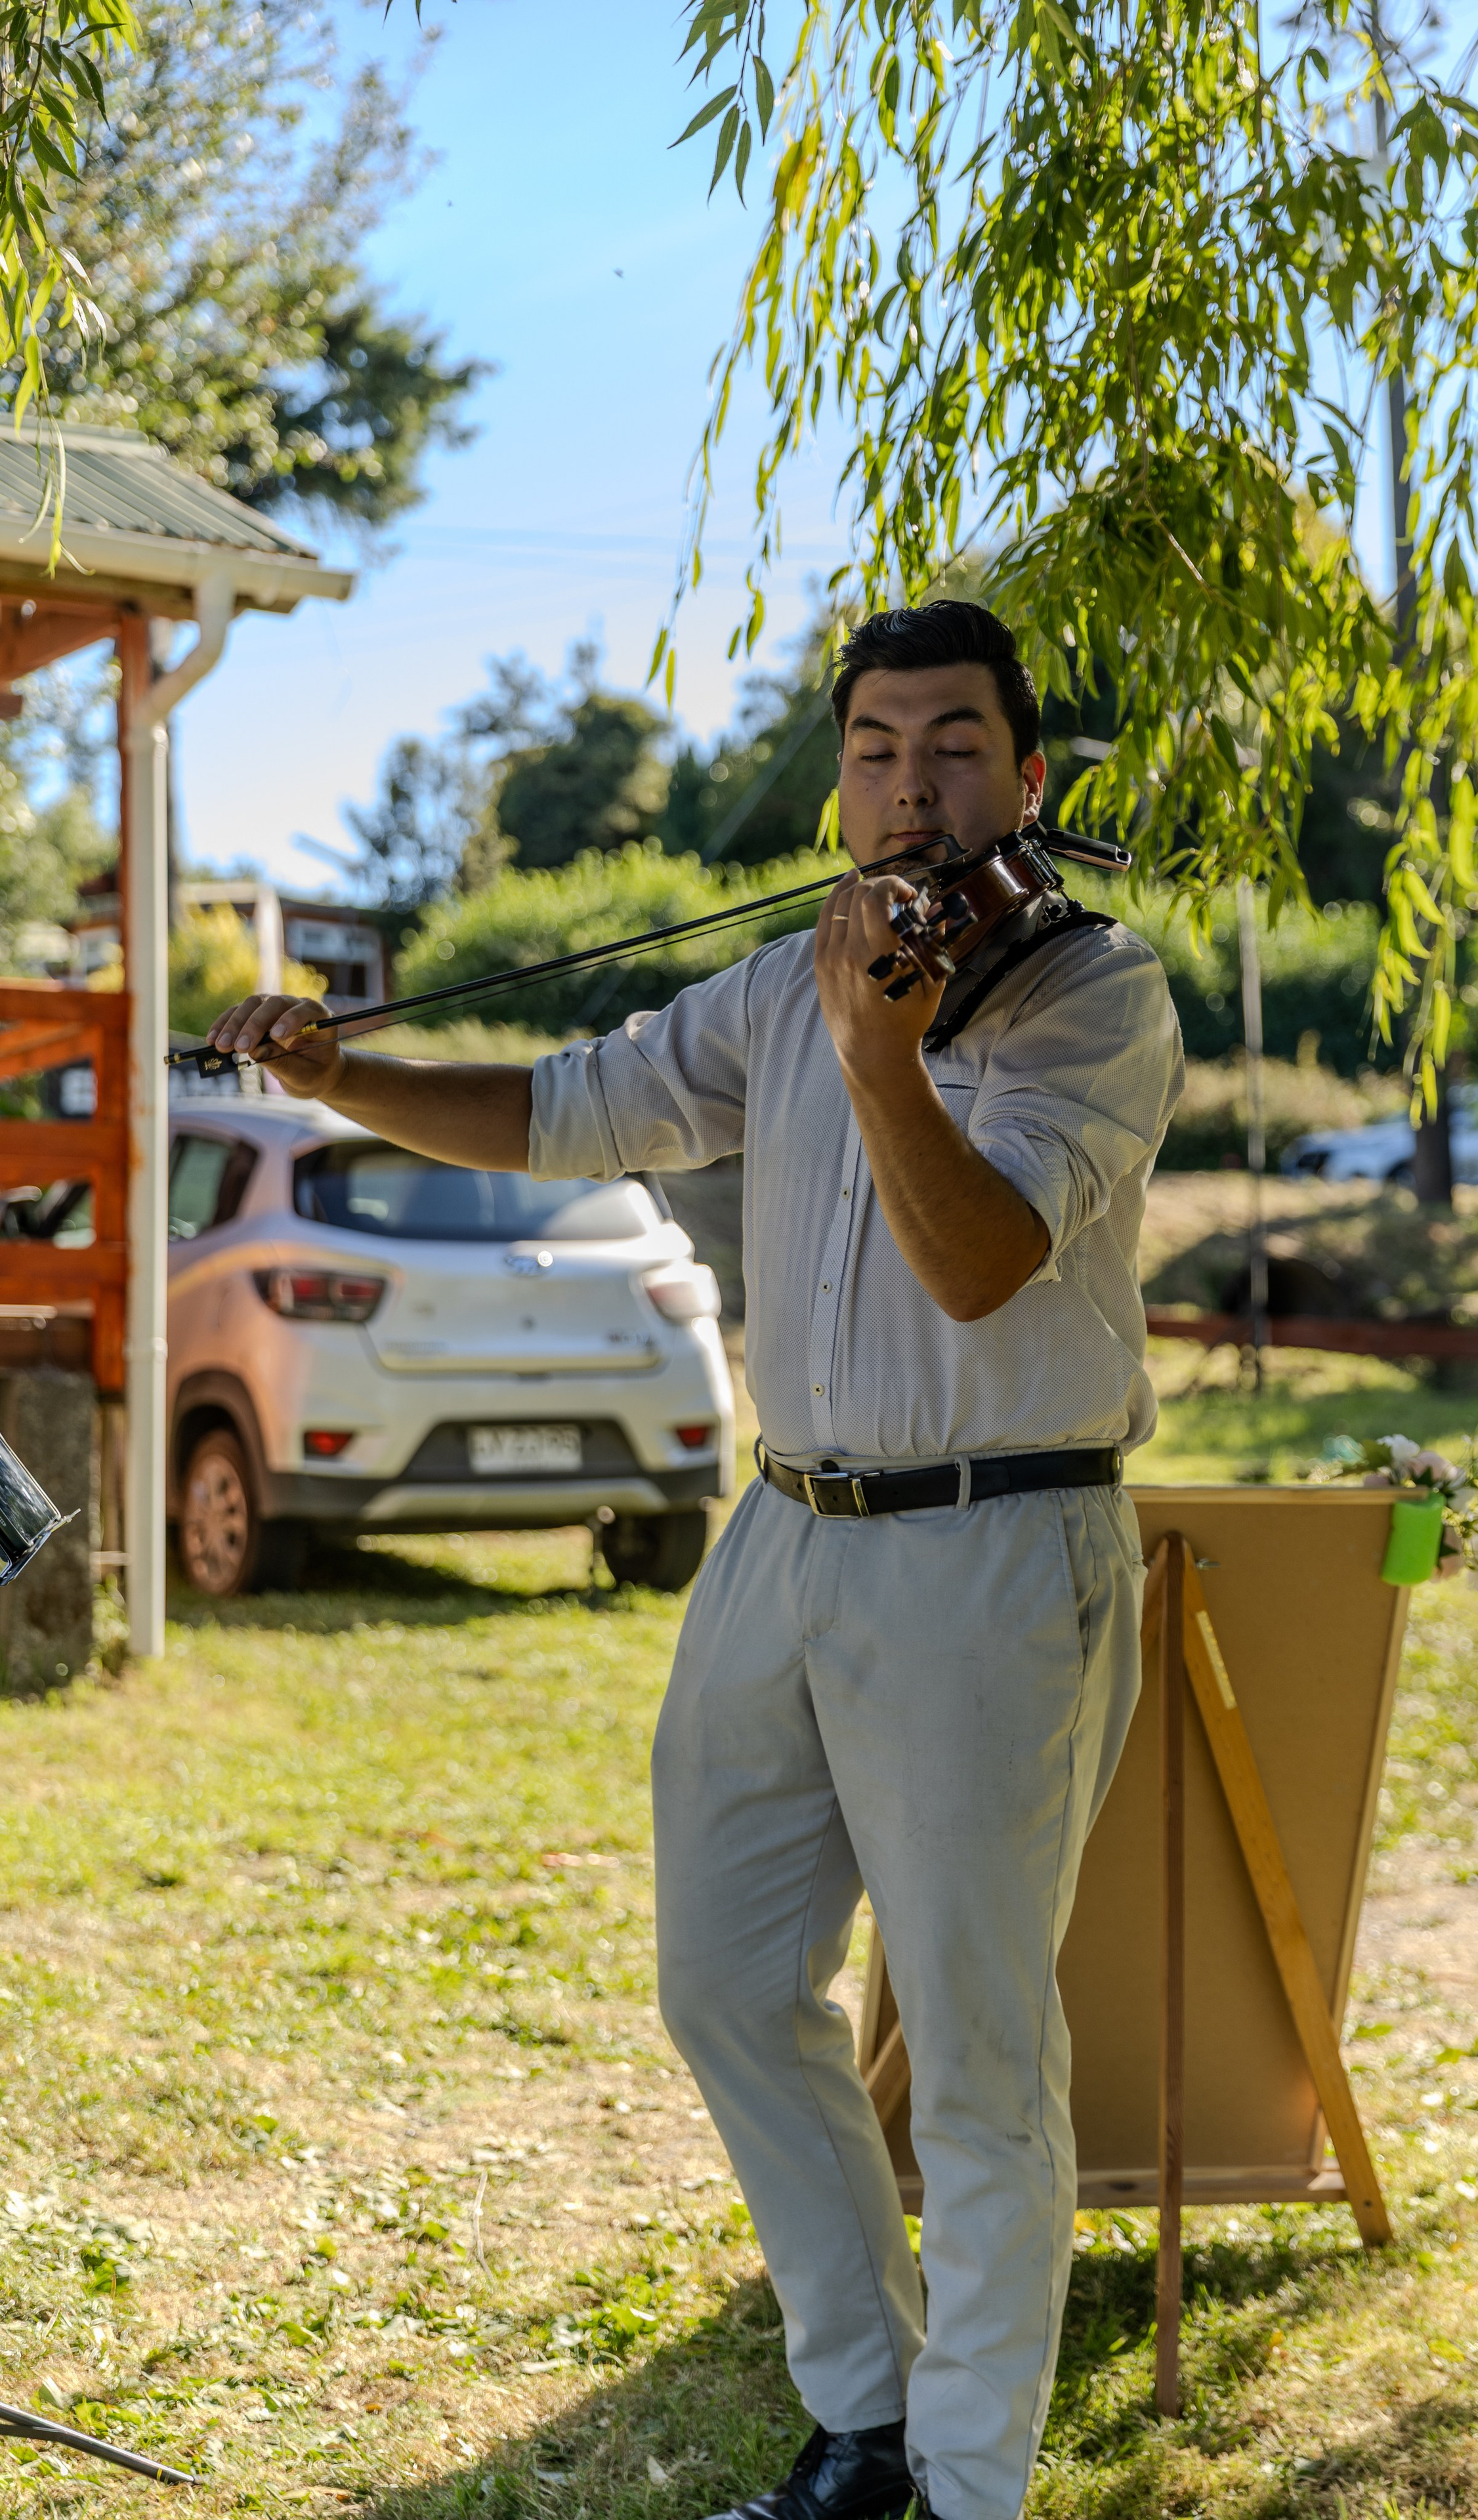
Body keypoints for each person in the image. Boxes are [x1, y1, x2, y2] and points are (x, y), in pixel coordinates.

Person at [205, 600, 1184, 2520]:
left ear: (1031, 778)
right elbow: (558, 1106)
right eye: (879, 750)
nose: (916, 788)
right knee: (726, 1978)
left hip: (996, 1544)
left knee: (979, 2050)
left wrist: (879, 1059)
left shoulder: (1096, 993)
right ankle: (871, 2420)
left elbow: (980, 1262)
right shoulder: (780, 988)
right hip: (788, 1532)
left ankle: (970, 2491)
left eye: (958, 748)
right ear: (843, 785)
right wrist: (344, 1080)